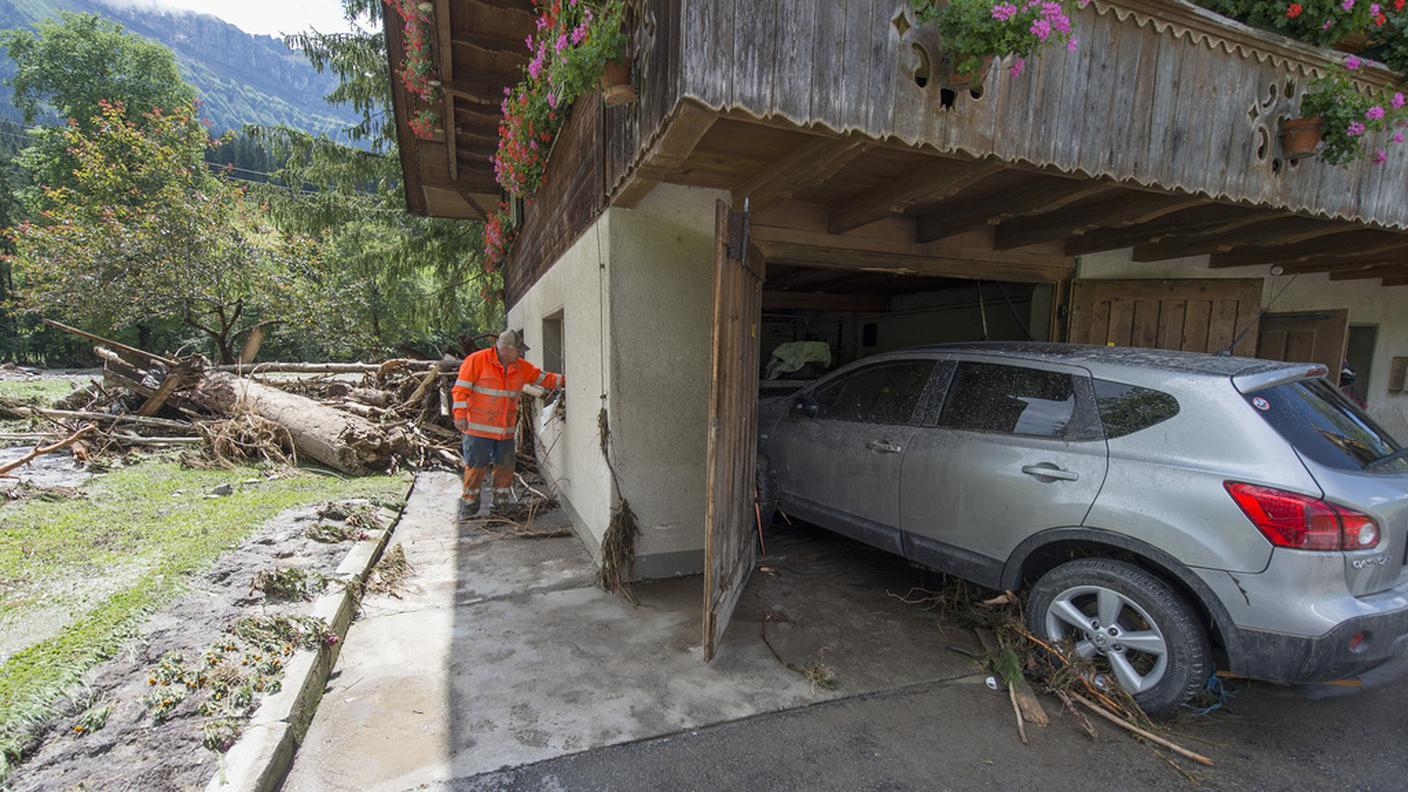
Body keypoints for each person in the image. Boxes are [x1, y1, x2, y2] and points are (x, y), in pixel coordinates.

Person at [452, 330, 563, 521]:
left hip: (505, 431)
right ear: (505, 348)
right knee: (476, 467)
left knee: (505, 467)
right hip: (479, 429)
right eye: (518, 350)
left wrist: (567, 380)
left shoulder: (520, 367)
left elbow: (543, 378)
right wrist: (460, 415)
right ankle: (470, 504)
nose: (521, 354)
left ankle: (501, 503)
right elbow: (460, 390)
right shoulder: (476, 361)